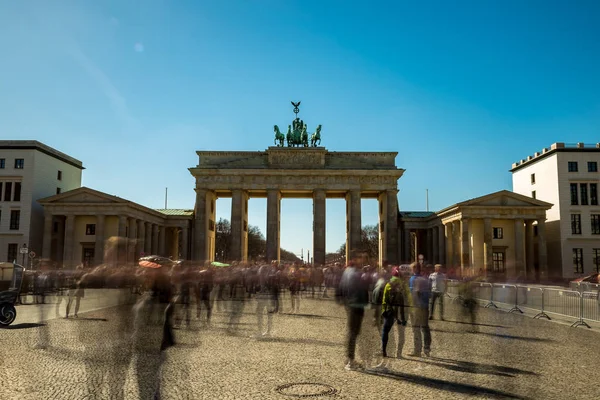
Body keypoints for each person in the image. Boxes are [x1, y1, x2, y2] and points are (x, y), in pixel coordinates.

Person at [336, 255, 369, 371]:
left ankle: (349, 358)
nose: (363, 260)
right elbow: (363, 289)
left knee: (353, 332)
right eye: (361, 258)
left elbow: (339, 288)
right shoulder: (356, 273)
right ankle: (350, 360)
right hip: (356, 304)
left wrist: (341, 300)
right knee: (353, 332)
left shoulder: (346, 273)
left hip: (349, 304)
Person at [379, 267, 408, 361]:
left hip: (390, 311)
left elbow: (384, 300)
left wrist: (383, 311)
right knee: (401, 333)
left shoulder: (388, 284)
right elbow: (408, 298)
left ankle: (383, 350)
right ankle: (399, 353)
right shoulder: (404, 285)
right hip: (401, 312)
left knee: (386, 331)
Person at [409, 263, 431, 357]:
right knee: (425, 328)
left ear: (413, 269)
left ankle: (417, 350)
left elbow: (411, 294)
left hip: (416, 307)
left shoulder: (412, 279)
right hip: (425, 306)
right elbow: (429, 294)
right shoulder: (426, 279)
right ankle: (427, 349)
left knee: (416, 328)